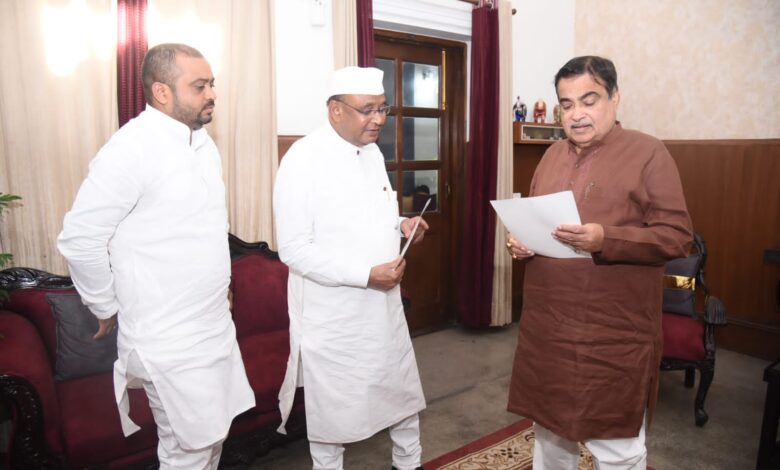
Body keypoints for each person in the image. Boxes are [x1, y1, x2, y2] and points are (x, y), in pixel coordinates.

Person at [57, 43, 254, 469]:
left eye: (212, 84)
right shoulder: (131, 148)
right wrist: (105, 305)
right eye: (199, 86)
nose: (212, 94)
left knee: (211, 441)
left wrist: (220, 286)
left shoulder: (204, 145)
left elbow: (203, 229)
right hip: (167, 337)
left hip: (212, 326)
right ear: (162, 91)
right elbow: (80, 238)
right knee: (187, 451)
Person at [505, 56, 693, 470]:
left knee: (616, 446)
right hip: (548, 330)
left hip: (612, 334)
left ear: (615, 98)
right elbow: (541, 222)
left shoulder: (648, 153)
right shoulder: (551, 155)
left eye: (588, 101)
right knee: (550, 434)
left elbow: (677, 236)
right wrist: (523, 244)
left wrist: (606, 239)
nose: (576, 114)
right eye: (566, 104)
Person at [273, 66, 428, 470]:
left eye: (383, 109)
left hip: (383, 307)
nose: (378, 119)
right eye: (367, 110)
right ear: (335, 110)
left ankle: (408, 464)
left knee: (401, 395)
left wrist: (402, 224)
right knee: (333, 415)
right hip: (335, 316)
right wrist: (365, 276)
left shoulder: (372, 152)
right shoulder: (303, 159)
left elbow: (372, 216)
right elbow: (293, 249)